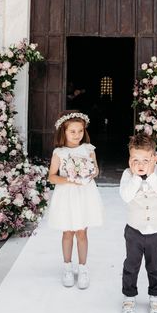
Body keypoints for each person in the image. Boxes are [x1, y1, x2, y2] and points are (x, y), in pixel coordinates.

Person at [47, 111, 104, 289]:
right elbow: (51, 177)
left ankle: (83, 268)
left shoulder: (88, 149)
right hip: (67, 195)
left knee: (81, 232)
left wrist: (91, 172)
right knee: (67, 232)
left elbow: (95, 170)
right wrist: (69, 180)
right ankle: (67, 267)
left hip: (84, 195)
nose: (77, 135)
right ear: (63, 132)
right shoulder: (59, 153)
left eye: (80, 131)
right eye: (72, 131)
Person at [119, 134, 157, 313]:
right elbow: (125, 196)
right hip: (134, 230)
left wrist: (150, 176)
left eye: (145, 160)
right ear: (129, 160)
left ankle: (155, 298)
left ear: (154, 159)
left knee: (154, 266)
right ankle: (129, 298)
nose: (140, 164)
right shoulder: (128, 174)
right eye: (135, 160)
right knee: (131, 266)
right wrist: (136, 178)